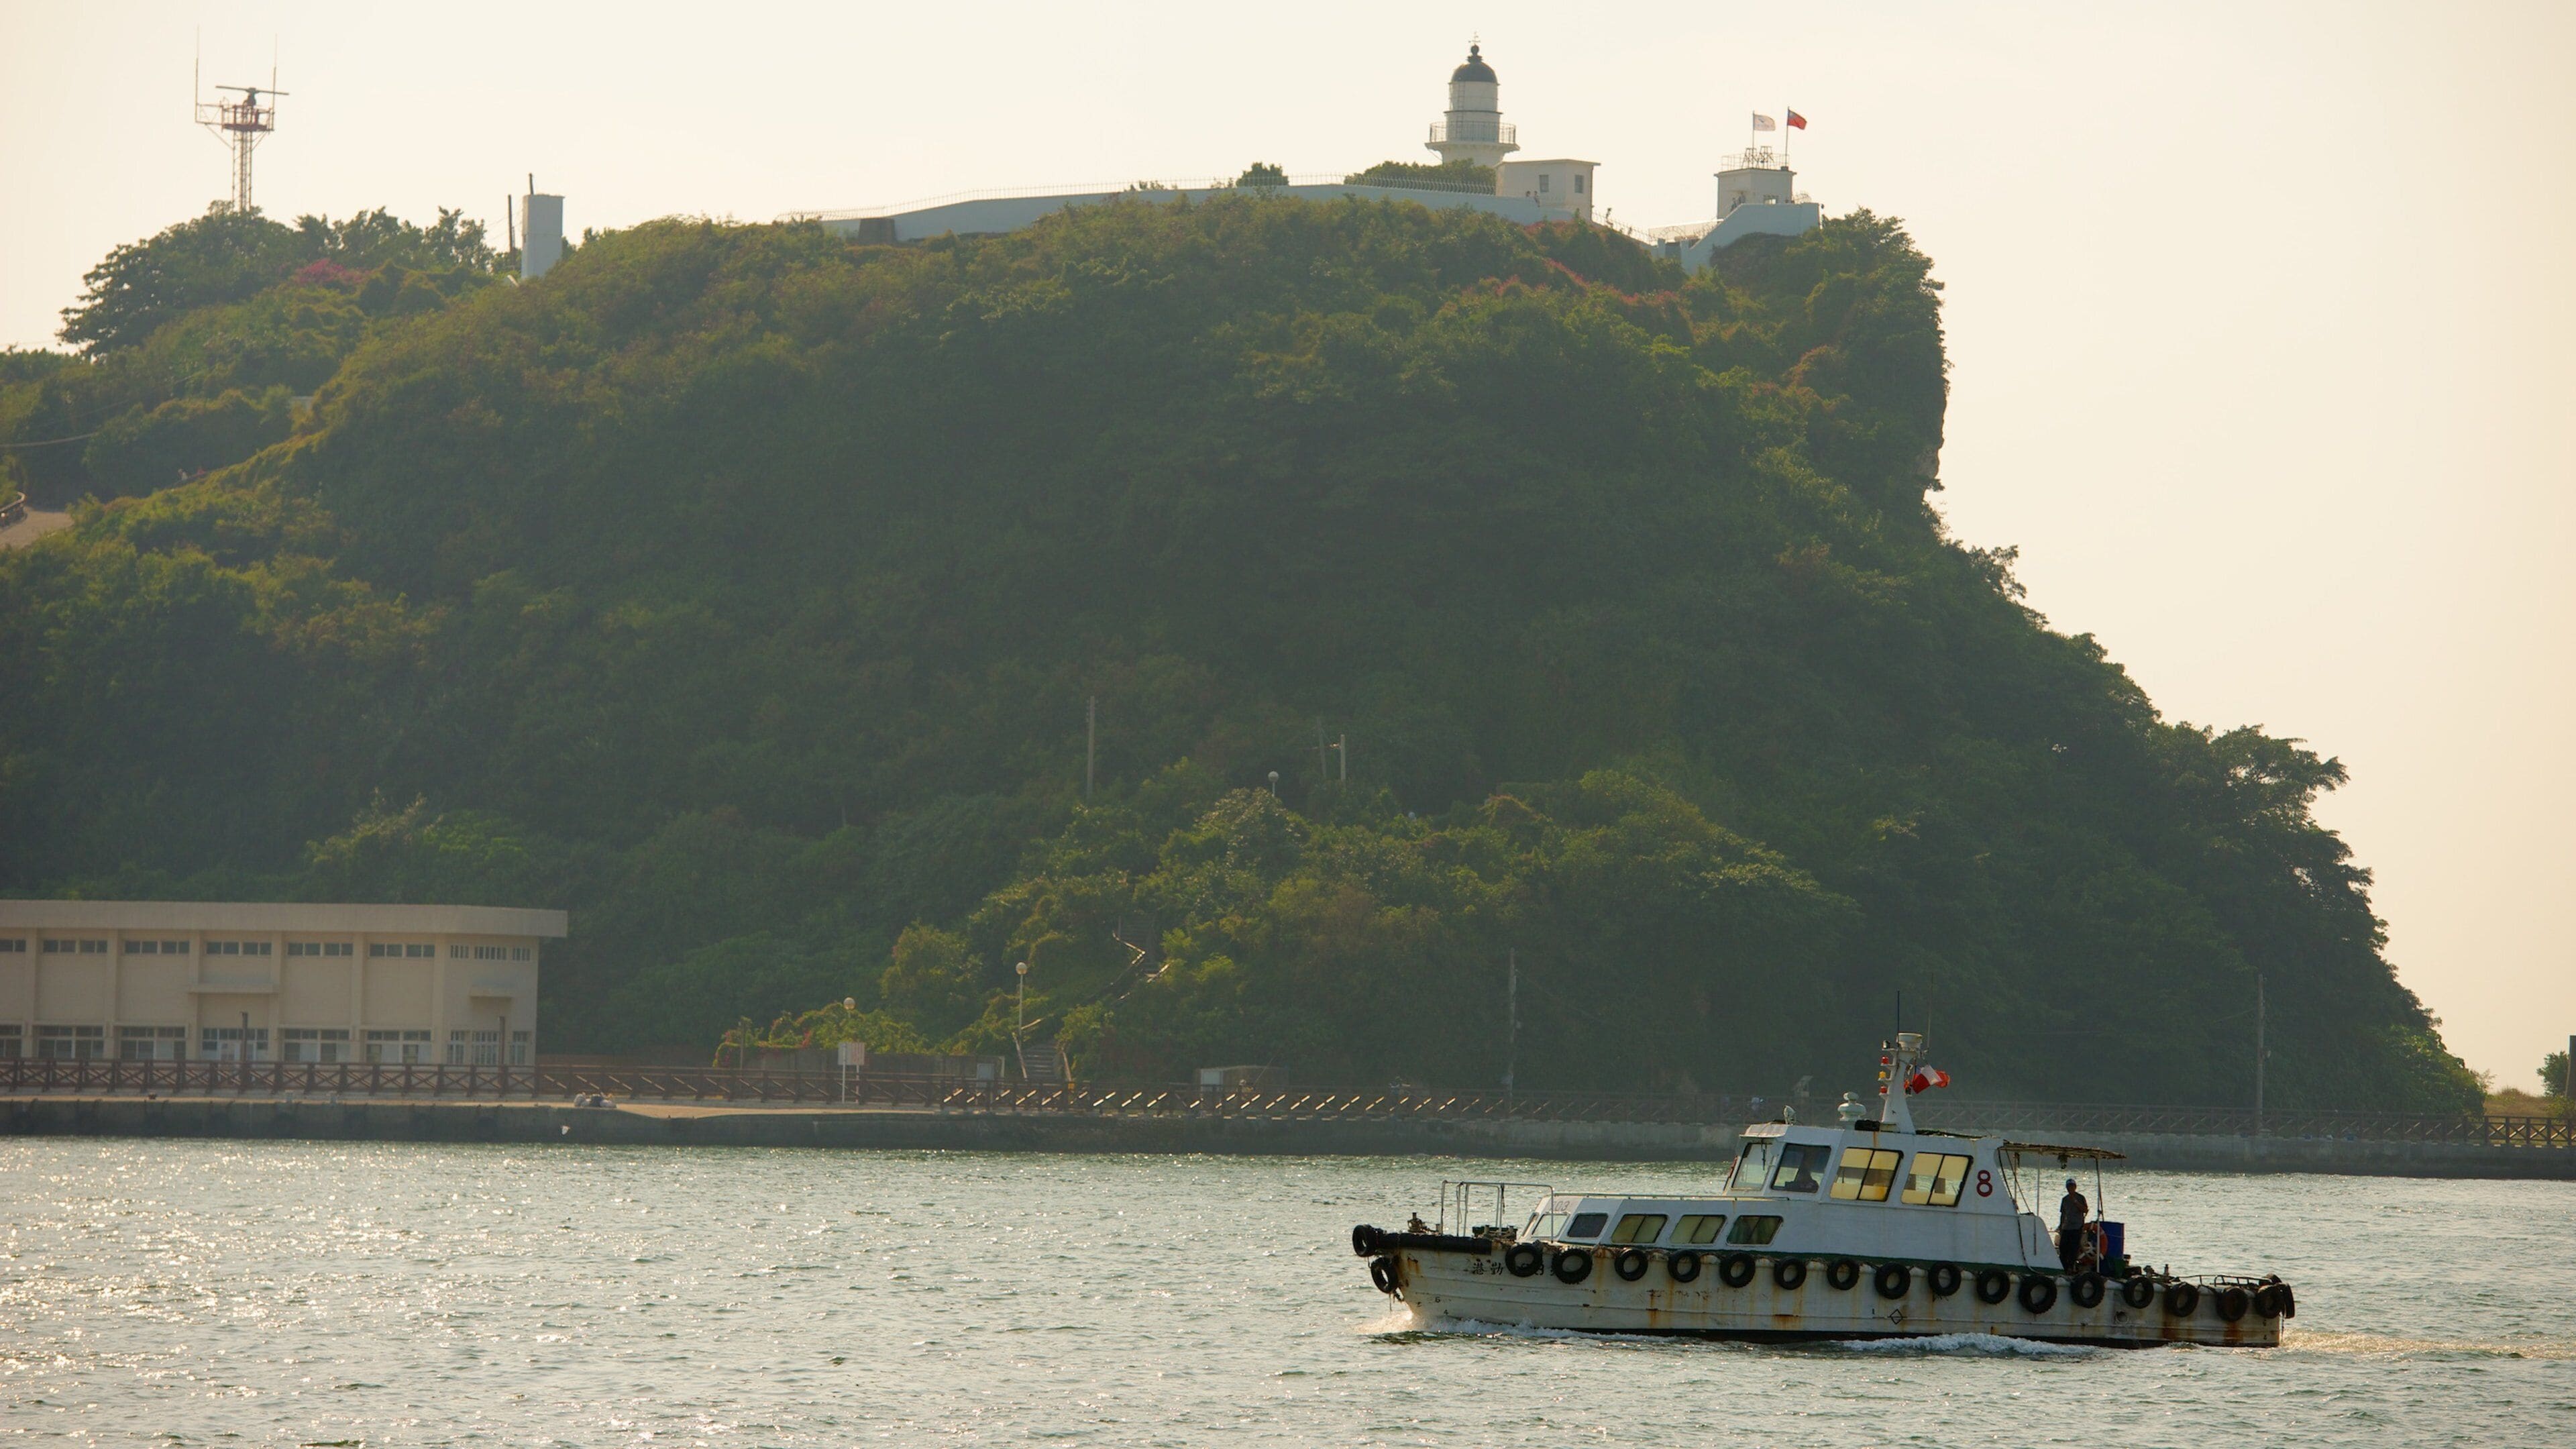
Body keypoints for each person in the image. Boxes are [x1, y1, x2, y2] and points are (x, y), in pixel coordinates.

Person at [2056, 1178, 2090, 1271]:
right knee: (2063, 1248)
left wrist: (2075, 1202)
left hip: (2077, 1227)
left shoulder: (2080, 1198)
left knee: (2074, 1249)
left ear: (2075, 1187)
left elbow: (2085, 1210)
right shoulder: (2065, 1199)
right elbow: (2063, 1214)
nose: (2070, 1188)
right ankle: (2064, 1267)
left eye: (2072, 1186)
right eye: (2068, 1187)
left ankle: (2072, 1267)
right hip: (2067, 1227)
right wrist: (2061, 1226)